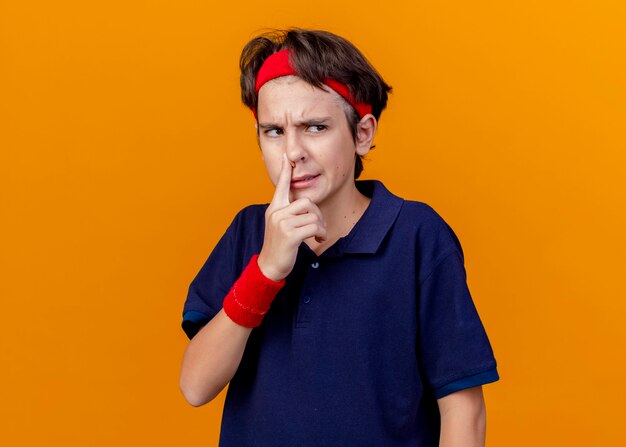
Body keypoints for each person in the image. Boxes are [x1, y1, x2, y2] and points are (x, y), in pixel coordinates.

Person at [179, 28, 499, 446]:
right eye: (274, 131)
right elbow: (195, 387)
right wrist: (266, 271)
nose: (292, 152)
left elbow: (464, 409)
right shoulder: (247, 233)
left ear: (362, 134)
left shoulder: (418, 237)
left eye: (315, 127)